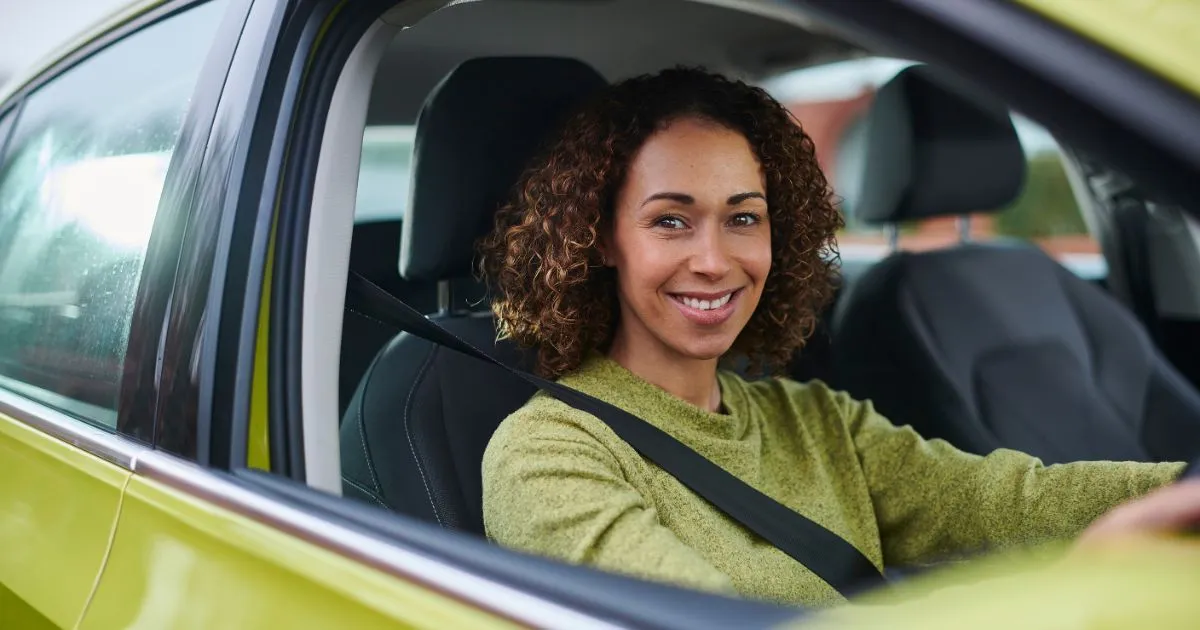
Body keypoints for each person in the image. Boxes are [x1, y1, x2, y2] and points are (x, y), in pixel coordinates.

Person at [476, 67, 1198, 608]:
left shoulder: (816, 420)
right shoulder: (547, 454)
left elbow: (1005, 500)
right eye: (671, 219)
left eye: (743, 217)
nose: (714, 259)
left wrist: (1178, 491)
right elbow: (699, 622)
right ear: (599, 239)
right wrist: (1069, 596)